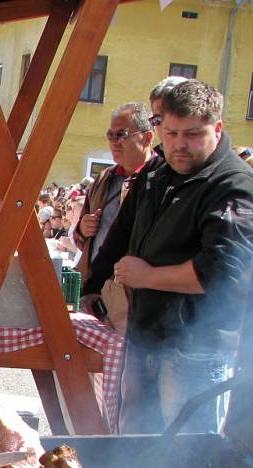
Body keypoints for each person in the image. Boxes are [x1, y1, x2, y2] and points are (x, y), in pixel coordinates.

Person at [80, 80, 253, 434]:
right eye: (172, 132)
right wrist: (92, 286)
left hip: (196, 348)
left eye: (192, 134)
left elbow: (223, 273)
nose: (179, 144)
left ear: (217, 129)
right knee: (135, 442)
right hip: (145, 335)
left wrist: (147, 277)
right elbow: (121, 233)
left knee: (188, 453)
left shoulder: (235, 185)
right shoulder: (157, 174)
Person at [73, 102, 159, 335]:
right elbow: (80, 238)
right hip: (96, 285)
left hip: (130, 294)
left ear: (147, 137)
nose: (113, 141)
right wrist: (83, 228)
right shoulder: (104, 179)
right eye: (110, 135)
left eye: (121, 134)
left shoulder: (158, 179)